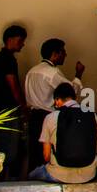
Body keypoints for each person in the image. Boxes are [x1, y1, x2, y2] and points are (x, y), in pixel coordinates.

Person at [23, 39, 84, 171]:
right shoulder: (52, 72)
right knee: (48, 154)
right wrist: (78, 75)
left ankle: (32, 179)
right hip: (48, 117)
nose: (66, 55)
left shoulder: (31, 72)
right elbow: (70, 93)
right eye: (63, 52)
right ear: (55, 54)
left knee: (34, 152)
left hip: (33, 117)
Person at [29, 83, 97, 183]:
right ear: (75, 98)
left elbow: (46, 156)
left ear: (57, 100)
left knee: (32, 174)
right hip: (88, 174)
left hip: (58, 174)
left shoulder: (50, 117)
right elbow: (95, 147)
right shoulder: (92, 115)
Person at [0, 24, 28, 179]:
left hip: (1, 108)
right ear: (10, 40)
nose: (22, 44)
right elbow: (13, 84)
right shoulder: (7, 59)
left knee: (5, 147)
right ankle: (3, 180)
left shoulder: (1, 57)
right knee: (8, 150)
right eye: (20, 41)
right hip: (7, 109)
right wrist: (23, 106)